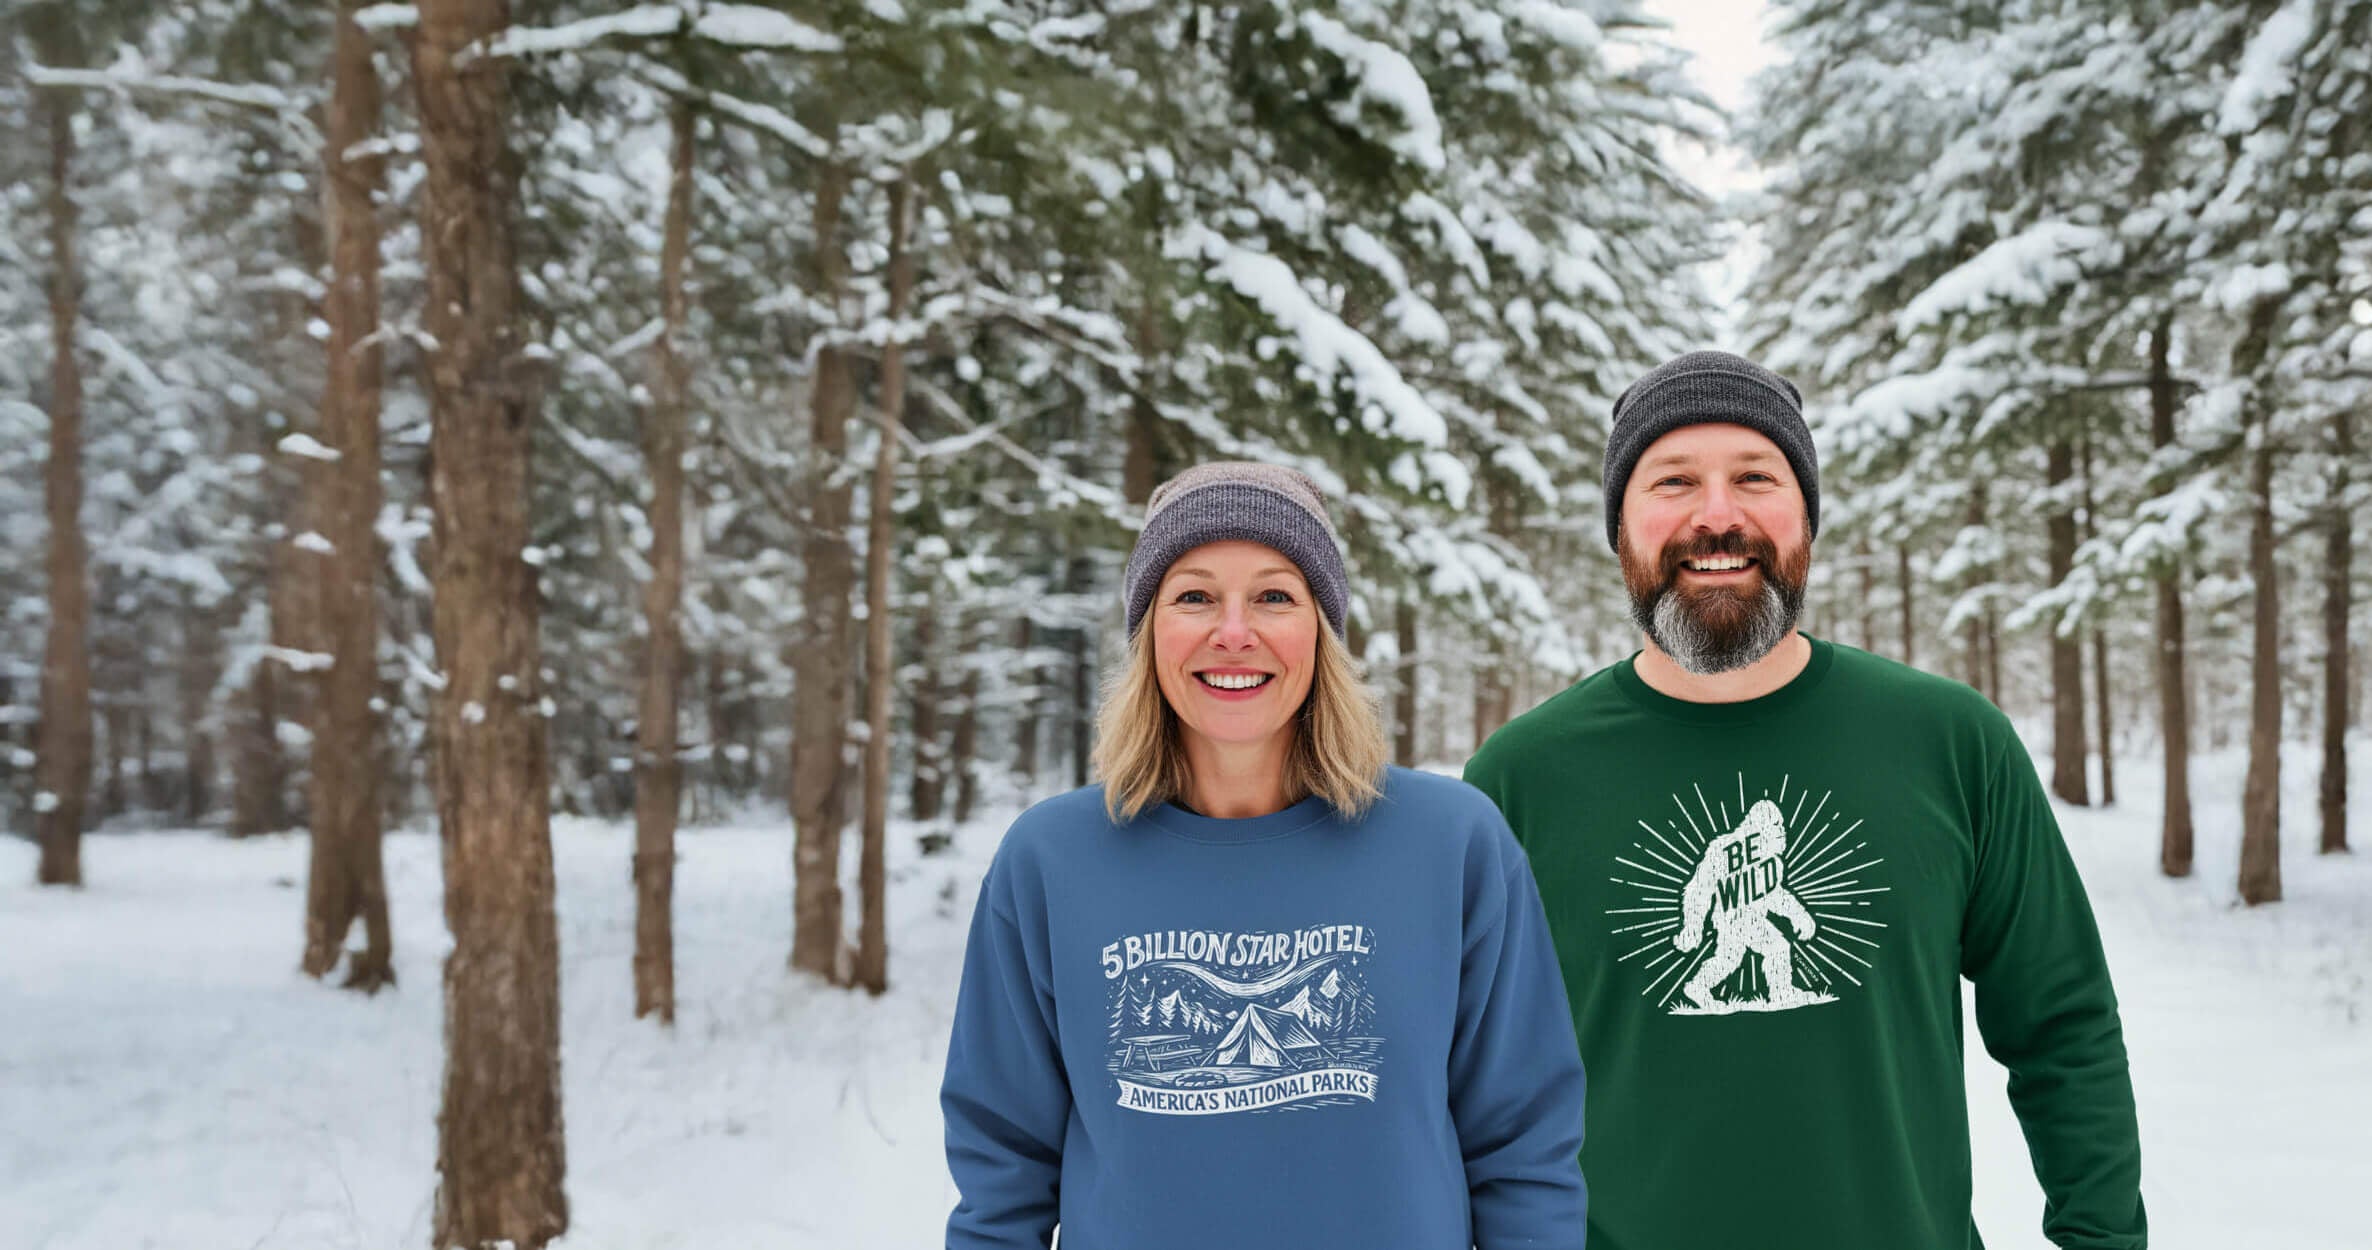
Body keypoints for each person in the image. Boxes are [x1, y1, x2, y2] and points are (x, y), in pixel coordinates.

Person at [1465, 351, 2147, 1250]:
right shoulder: (1520, 780)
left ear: (1805, 519)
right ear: (1621, 527)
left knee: (1771, 961)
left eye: (1756, 476)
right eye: (1673, 481)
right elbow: (1466, 1090)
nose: (1718, 514)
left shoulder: (1950, 743)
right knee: (1722, 970)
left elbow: (2063, 1027)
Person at [942, 462, 1588, 1250]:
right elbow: (1002, 1171)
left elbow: (1524, 1151)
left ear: (1322, 628)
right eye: (1194, 596)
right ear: (1150, 637)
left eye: (1275, 595)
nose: (1234, 631)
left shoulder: (1452, 845)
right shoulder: (1050, 861)